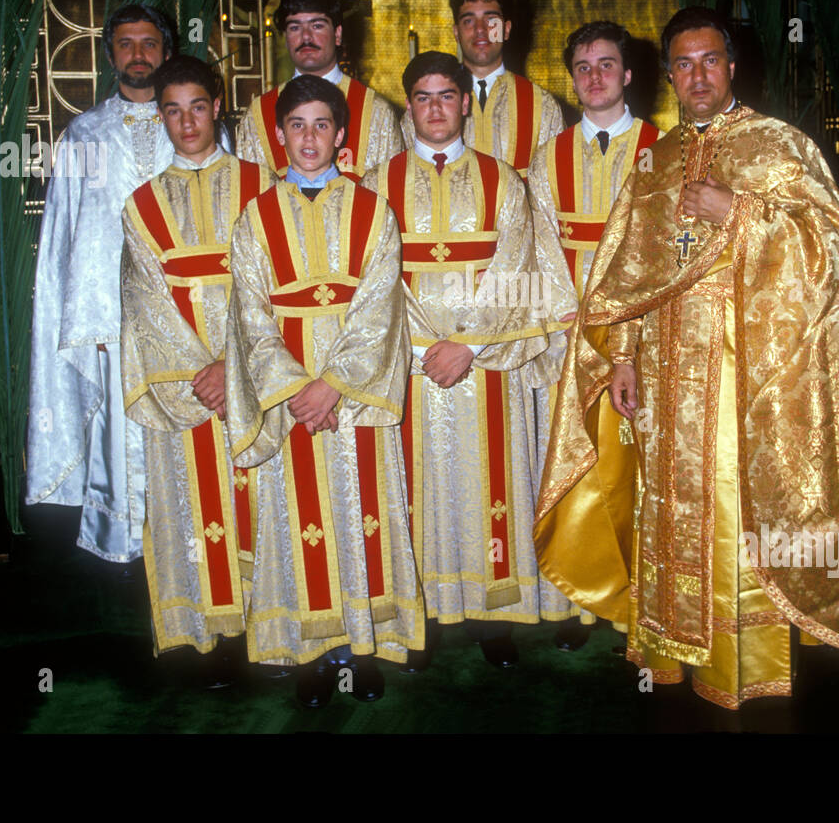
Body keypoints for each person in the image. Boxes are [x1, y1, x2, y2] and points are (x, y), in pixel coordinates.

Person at [537, 7, 839, 711]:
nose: (697, 76)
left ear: (732, 64)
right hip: (661, 380)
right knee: (663, 506)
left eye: (709, 60)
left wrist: (742, 214)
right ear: (668, 74)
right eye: (683, 64)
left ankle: (739, 664)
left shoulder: (777, 146)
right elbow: (627, 273)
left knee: (729, 508)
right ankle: (668, 651)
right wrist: (623, 352)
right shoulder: (655, 162)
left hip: (738, 376)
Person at [361, 52, 573, 670]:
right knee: (410, 489)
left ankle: (490, 613)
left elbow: (521, 272)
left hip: (483, 366)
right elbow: (370, 279)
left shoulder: (506, 182)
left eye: (447, 96)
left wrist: (469, 345)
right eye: (422, 97)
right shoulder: (375, 183)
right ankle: (418, 610)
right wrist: (426, 347)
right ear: (409, 107)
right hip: (409, 365)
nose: (435, 108)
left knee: (489, 486)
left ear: (463, 103)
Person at [225, 75, 424, 707]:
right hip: (290, 399)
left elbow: (380, 306)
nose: (309, 138)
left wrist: (333, 386)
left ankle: (359, 646)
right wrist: (293, 389)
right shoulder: (256, 217)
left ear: (341, 135)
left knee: (361, 512)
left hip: (350, 398)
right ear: (278, 135)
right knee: (298, 520)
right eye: (296, 126)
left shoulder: (372, 211)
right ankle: (310, 649)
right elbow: (248, 313)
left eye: (321, 125)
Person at [119, 55, 273, 671]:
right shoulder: (140, 206)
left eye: (199, 107)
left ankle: (274, 623)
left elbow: (273, 289)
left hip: (257, 377)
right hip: (183, 386)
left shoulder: (266, 187)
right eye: (173, 111)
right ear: (160, 118)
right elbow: (144, 303)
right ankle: (210, 633)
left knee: (267, 500)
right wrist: (200, 371)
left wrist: (231, 367)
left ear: (218, 108)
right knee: (193, 506)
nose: (187, 123)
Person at [524, 21, 663, 651]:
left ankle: (648, 596)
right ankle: (583, 598)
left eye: (607, 64)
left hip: (647, 334)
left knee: (642, 467)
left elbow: (668, 251)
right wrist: (574, 331)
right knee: (580, 463)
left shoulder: (663, 148)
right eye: (583, 67)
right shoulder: (547, 157)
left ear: (628, 73)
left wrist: (627, 329)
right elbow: (541, 248)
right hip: (572, 334)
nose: (596, 77)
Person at [27, 3, 176, 563]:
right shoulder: (84, 133)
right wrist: (80, 315)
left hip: (183, 315)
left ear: (166, 49)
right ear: (111, 54)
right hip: (108, 317)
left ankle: (188, 538)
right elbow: (66, 233)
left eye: (148, 43)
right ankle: (124, 542)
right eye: (125, 45)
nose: (138, 55)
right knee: (118, 430)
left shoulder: (194, 124)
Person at [401, 0, 563, 173]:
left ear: (506, 29)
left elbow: (554, 187)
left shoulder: (542, 106)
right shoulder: (425, 108)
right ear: (456, 32)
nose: (480, 30)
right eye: (469, 21)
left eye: (491, 19)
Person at [236, 0, 402, 175]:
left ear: (337, 34)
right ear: (285, 36)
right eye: (295, 27)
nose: (306, 37)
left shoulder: (376, 113)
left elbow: (392, 190)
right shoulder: (259, 117)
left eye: (316, 26)